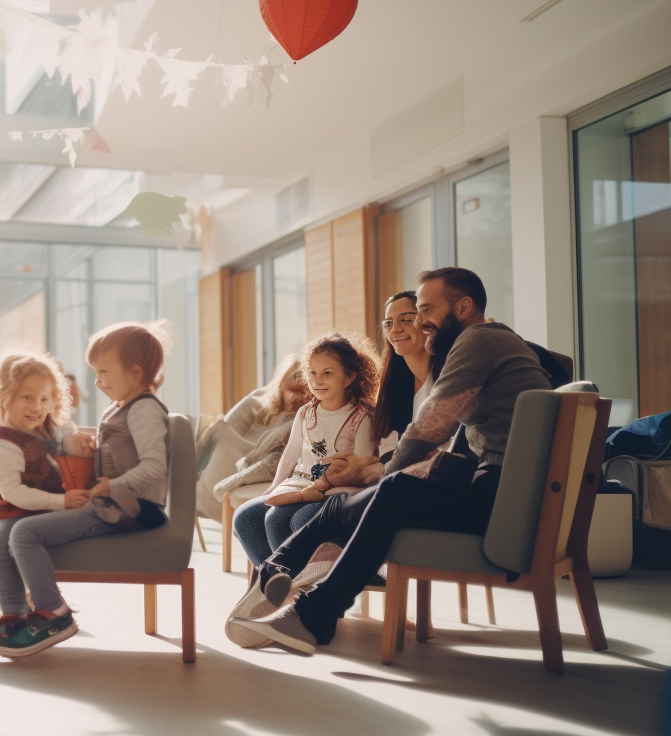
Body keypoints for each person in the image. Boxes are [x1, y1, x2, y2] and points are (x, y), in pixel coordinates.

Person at [230, 268, 553, 653]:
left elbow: (432, 424)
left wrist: (387, 474)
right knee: (337, 507)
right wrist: (387, 472)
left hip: (501, 497)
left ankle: (310, 613)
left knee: (393, 491)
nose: (419, 321)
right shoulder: (493, 344)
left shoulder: (480, 341)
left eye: (427, 310)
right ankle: (276, 571)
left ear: (464, 307)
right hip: (498, 488)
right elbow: (456, 441)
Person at [0, 321, 173, 656]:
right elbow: (120, 453)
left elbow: (155, 467)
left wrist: (112, 484)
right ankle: (21, 612)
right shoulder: (119, 406)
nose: (97, 381)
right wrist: (94, 450)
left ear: (135, 374)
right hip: (113, 502)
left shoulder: (145, 408)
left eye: (104, 372)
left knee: (23, 534)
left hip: (129, 509)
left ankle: (54, 612)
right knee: (15, 530)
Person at [227, 333, 378, 642]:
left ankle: (297, 603)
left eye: (327, 373)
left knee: (285, 520)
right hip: (300, 484)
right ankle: (276, 594)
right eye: (312, 372)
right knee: (246, 516)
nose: (317, 380)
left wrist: (330, 480)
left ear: (350, 376)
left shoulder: (361, 416)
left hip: (336, 491)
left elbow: (362, 465)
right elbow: (291, 455)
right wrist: (273, 490)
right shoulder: (306, 412)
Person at [0, 351, 95, 658]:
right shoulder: (3, 439)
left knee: (21, 537)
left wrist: (81, 448)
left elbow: (67, 449)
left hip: (49, 510)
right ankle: (14, 613)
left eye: (45, 399)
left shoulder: (52, 425)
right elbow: (15, 493)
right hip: (15, 508)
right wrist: (61, 501)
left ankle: (47, 610)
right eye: (27, 398)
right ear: (5, 398)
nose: (37, 408)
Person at [196, 355, 309, 521]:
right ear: (283, 384)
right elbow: (224, 424)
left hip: (256, 464)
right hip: (226, 462)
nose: (297, 397)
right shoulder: (259, 398)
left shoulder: (303, 417)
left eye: (304, 392)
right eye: (293, 391)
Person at [373, 290, 435, 458]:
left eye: (406, 320)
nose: (395, 330)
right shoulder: (395, 386)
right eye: (388, 323)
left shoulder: (447, 379)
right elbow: (388, 446)